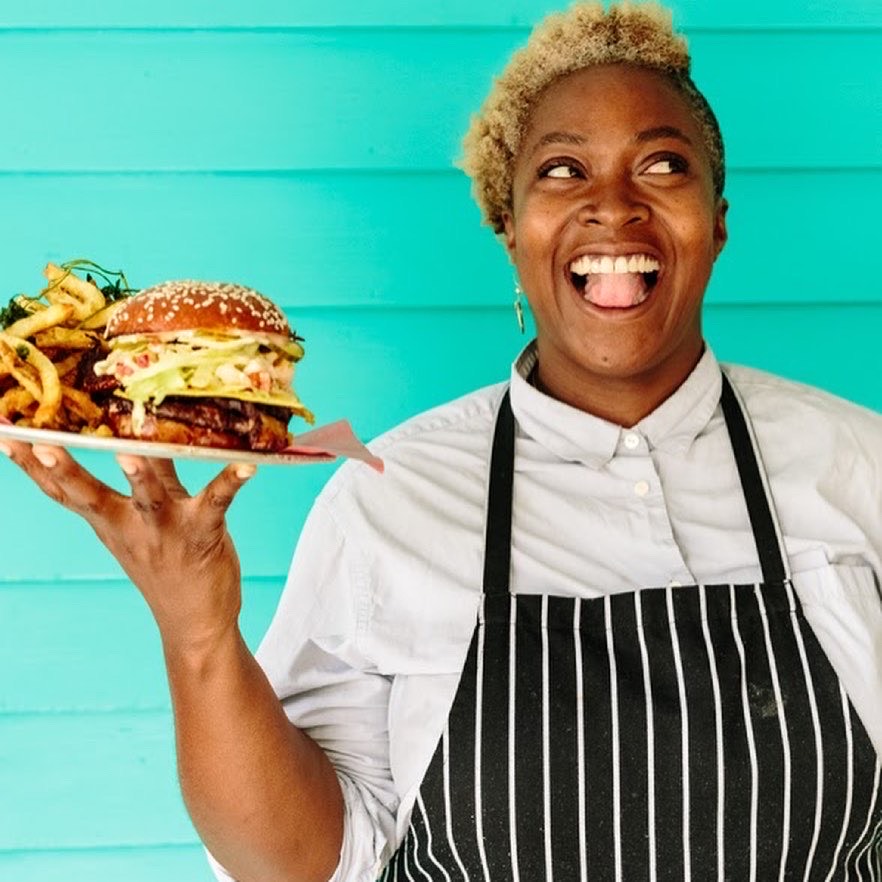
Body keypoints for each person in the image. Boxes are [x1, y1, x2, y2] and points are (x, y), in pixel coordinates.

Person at [1, 1, 881, 879]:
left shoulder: (857, 466)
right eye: (563, 171)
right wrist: (196, 636)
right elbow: (302, 861)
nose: (613, 208)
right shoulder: (390, 495)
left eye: (662, 165)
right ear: (511, 230)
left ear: (717, 221)